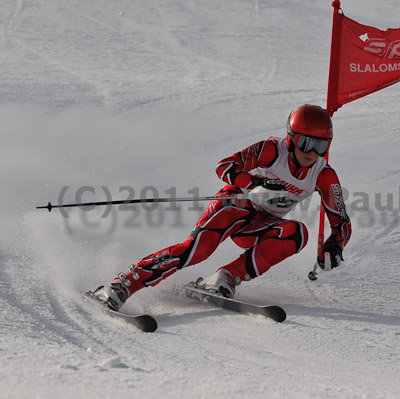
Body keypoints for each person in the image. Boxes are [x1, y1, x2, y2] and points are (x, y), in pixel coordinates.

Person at [93, 104, 352, 311]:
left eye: (321, 145)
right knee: (199, 250)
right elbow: (225, 166)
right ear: (292, 137)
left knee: (297, 233)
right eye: (307, 143)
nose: (313, 152)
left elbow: (341, 221)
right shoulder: (273, 150)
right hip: (234, 205)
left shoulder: (323, 174)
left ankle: (227, 276)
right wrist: (254, 183)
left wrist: (334, 245)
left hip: (261, 223)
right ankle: (122, 284)